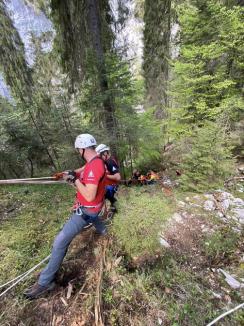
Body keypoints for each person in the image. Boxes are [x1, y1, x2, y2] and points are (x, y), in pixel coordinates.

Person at [24, 134, 107, 299]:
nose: (78, 152)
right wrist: (68, 174)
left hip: (86, 212)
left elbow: (89, 195)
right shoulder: (96, 161)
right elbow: (82, 172)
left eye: (78, 150)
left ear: (82, 149)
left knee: (60, 242)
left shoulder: (94, 167)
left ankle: (45, 282)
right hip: (92, 209)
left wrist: (75, 181)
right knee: (96, 218)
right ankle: (105, 231)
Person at [95, 144, 121, 211]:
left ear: (105, 153)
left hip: (111, 185)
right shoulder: (104, 162)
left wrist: (105, 175)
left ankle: (113, 204)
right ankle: (112, 203)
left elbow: (118, 177)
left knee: (104, 192)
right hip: (107, 185)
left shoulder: (110, 162)